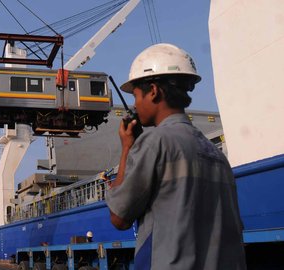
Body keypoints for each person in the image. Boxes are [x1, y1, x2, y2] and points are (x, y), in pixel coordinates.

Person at [105, 43, 246, 269]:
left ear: (153, 91)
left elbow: (119, 217)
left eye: (136, 95)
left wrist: (127, 148)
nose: (135, 104)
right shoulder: (217, 156)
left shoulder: (154, 143)